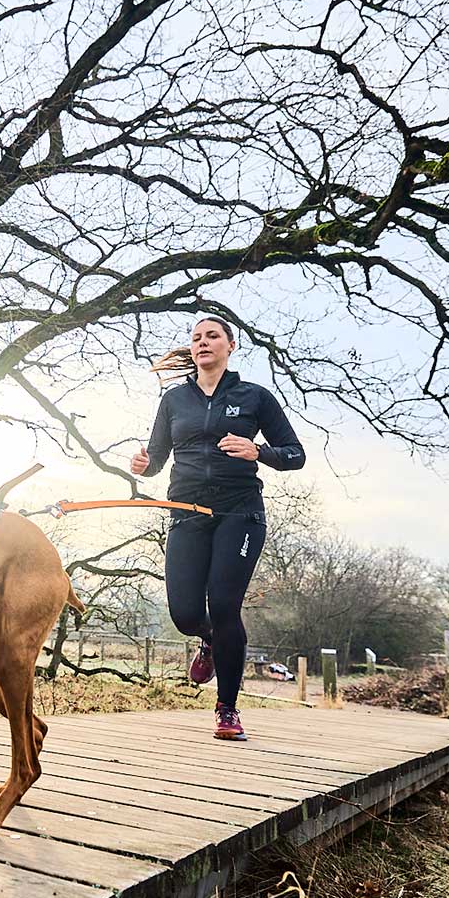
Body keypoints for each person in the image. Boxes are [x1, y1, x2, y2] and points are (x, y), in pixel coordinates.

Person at [130, 317, 305, 740]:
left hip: (239, 513)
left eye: (212, 336)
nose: (202, 342)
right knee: (186, 613)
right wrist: (144, 466)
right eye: (196, 338)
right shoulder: (175, 400)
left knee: (225, 605)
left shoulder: (254, 397)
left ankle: (227, 709)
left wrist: (257, 450)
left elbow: (295, 454)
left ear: (230, 345)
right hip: (187, 512)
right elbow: (156, 459)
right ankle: (207, 638)